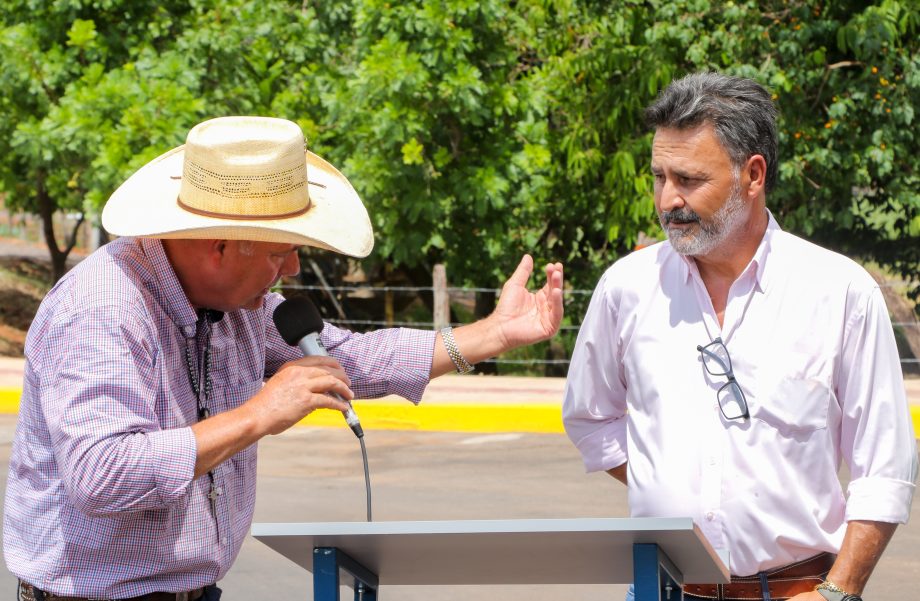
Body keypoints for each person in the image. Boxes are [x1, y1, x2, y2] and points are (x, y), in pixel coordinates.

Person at [3, 116, 564, 601]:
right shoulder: (104, 309)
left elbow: (353, 359)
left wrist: (492, 335)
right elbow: (103, 475)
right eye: (281, 251)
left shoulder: (240, 308)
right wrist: (258, 414)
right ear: (218, 245)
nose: (293, 270)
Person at [563, 72, 917, 601]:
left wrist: (838, 593)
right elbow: (590, 417)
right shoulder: (627, 288)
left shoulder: (839, 291)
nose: (667, 200)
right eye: (659, 176)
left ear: (752, 176)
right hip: (664, 589)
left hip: (803, 590)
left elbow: (883, 465)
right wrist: (668, 484)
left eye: (688, 179)